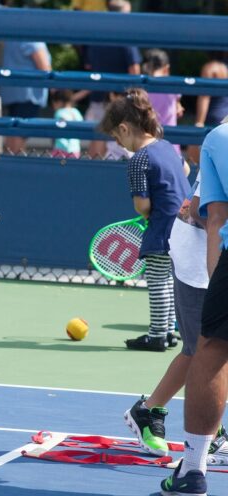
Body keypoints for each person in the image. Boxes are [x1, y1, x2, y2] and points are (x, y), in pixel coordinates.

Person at [123, 170, 227, 464]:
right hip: (199, 257)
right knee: (205, 351)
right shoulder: (224, 144)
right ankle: (159, 415)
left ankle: (157, 413)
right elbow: (199, 211)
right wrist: (215, 275)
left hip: (215, 253)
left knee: (207, 350)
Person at [159, 119, 228, 495]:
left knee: (211, 348)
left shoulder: (220, 138)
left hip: (217, 261)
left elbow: (212, 216)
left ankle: (193, 470)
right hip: (201, 260)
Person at [98, 88, 189, 351]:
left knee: (158, 278)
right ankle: (171, 331)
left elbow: (142, 204)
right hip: (183, 226)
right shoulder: (166, 147)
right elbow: (183, 169)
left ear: (124, 129)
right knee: (171, 279)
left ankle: (158, 335)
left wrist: (147, 213)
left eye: (116, 137)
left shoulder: (138, 160)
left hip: (162, 227)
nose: (118, 144)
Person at [81, 0, 141, 159]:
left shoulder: (97, 37)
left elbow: (89, 66)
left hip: (97, 95)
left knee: (98, 135)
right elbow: (134, 69)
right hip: (121, 98)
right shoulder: (126, 37)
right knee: (121, 138)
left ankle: (93, 172)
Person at [0, 40, 52, 154]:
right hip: (28, 94)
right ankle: (17, 166)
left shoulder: (12, 39)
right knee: (21, 134)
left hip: (10, 91)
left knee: (12, 132)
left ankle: (9, 165)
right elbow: (44, 67)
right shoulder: (33, 40)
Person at [142, 49, 183, 153]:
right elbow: (179, 111)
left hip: (147, 144)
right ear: (166, 68)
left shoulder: (142, 88)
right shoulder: (172, 86)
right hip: (170, 144)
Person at [50, 89, 83, 158]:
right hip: (75, 149)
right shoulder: (76, 112)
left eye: (54, 103)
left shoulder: (59, 112)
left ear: (59, 102)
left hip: (60, 149)